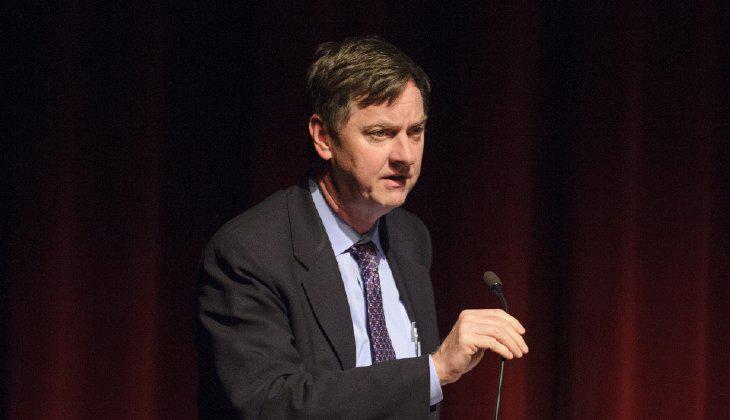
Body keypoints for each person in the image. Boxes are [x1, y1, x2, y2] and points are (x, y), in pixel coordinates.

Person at [196, 37, 528, 419]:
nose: (405, 155)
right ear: (324, 137)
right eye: (380, 133)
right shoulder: (250, 253)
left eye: (415, 131)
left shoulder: (410, 237)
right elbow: (269, 404)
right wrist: (434, 371)